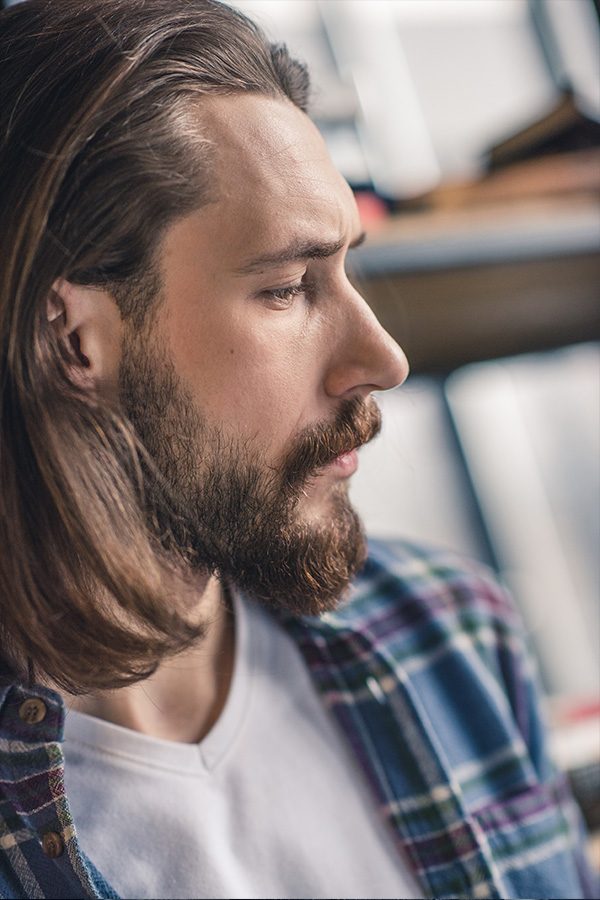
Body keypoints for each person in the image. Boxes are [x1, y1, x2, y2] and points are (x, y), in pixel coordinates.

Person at [0, 1, 596, 898]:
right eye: (286, 288)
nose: (383, 360)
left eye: (349, 267)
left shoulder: (448, 632)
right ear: (74, 339)